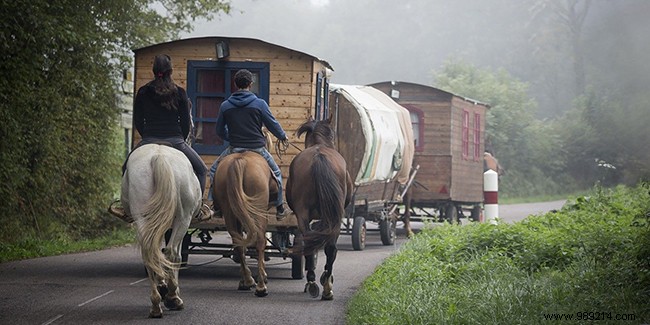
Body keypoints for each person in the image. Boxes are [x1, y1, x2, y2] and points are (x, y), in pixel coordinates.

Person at [109, 54, 213, 222]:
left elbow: (138, 120)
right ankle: (198, 208)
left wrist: (146, 137)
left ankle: (126, 209)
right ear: (170, 71)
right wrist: (181, 138)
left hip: (149, 139)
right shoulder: (179, 92)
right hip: (176, 141)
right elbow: (186, 122)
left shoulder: (143, 91)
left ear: (154, 70)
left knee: (126, 167)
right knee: (201, 169)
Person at [209, 69, 289, 219]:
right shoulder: (260, 104)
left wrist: (230, 136)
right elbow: (272, 124)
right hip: (257, 149)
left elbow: (219, 130)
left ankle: (216, 206)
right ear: (250, 84)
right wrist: (282, 136)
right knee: (276, 173)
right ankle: (280, 207)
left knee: (213, 171)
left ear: (235, 84)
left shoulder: (225, 105)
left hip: (234, 148)